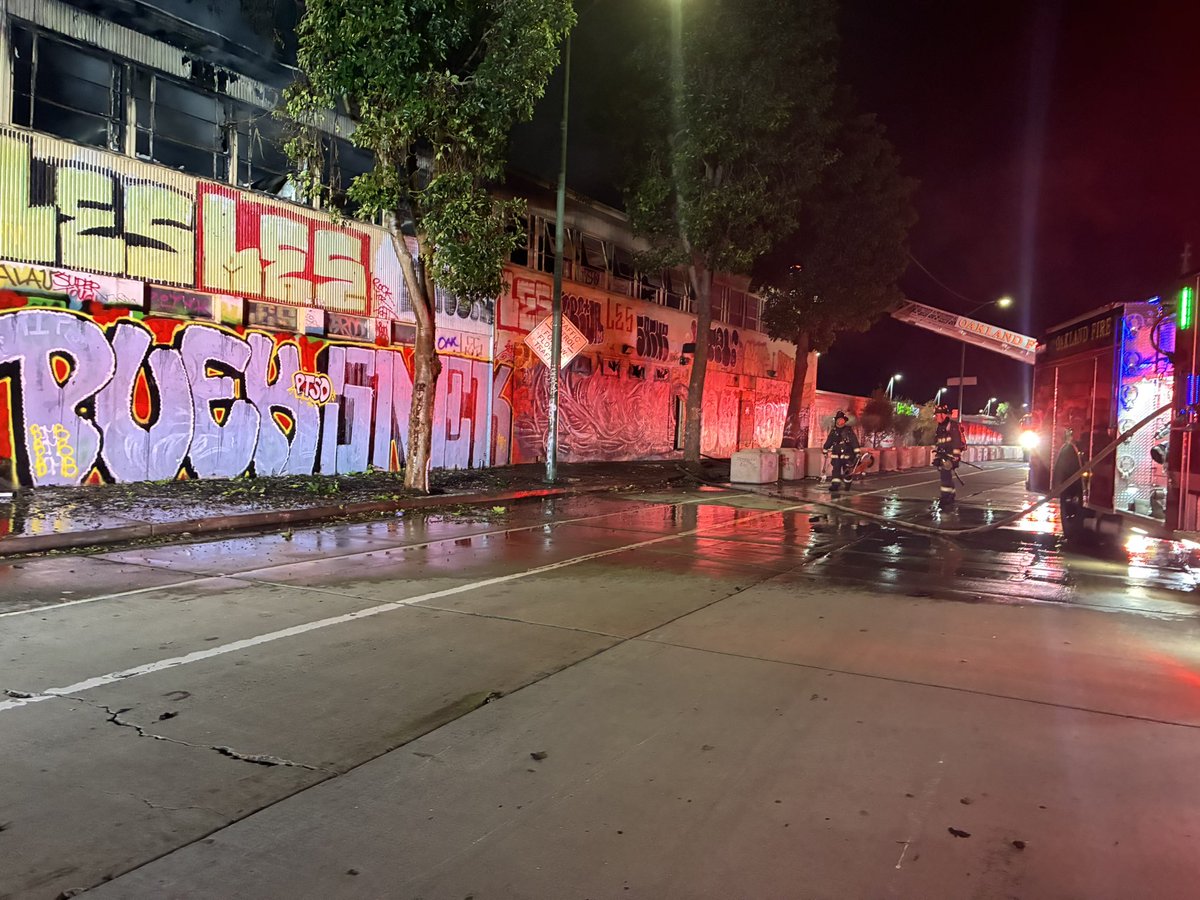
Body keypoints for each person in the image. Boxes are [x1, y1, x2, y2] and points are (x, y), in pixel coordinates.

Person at [933, 404, 963, 508]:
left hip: (950, 456)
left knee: (945, 476)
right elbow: (939, 442)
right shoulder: (940, 426)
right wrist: (937, 455)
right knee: (946, 476)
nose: (936, 417)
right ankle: (951, 495)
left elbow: (956, 441)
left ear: (943, 415)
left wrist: (955, 457)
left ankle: (946, 497)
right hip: (943, 455)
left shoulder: (952, 425)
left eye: (938, 415)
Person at [823, 410, 860, 494]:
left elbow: (854, 441)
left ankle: (847, 484)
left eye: (842, 420)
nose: (840, 421)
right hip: (836, 454)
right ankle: (835, 485)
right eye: (839, 420)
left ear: (845, 421)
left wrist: (857, 452)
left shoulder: (848, 431)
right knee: (836, 470)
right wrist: (825, 449)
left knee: (847, 471)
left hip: (847, 454)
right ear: (836, 421)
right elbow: (829, 441)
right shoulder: (833, 431)